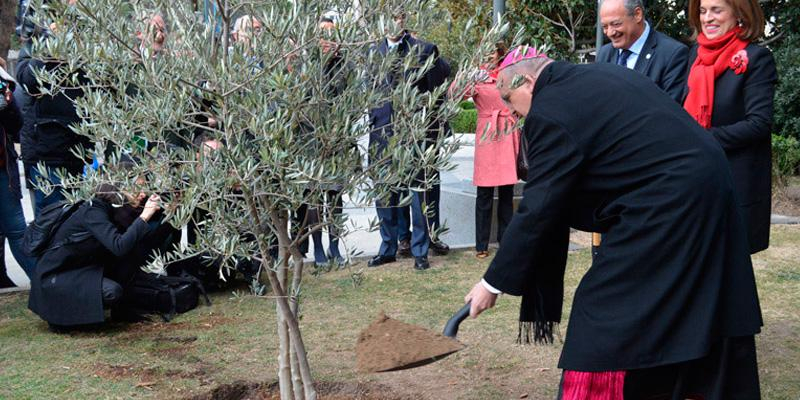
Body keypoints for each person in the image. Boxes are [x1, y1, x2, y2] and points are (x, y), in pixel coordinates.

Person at [464, 46, 762, 398]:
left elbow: (539, 207)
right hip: (703, 187)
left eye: (510, 100)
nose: (512, 114)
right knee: (694, 300)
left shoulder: (550, 109)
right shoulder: (593, 76)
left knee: (605, 309)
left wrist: (492, 284)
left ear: (529, 82)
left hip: (671, 202)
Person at [683, 0, 776, 254]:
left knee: (728, 280)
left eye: (716, 10)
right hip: (695, 180)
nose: (707, 18)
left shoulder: (757, 59)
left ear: (739, 14)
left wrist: (701, 138)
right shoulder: (694, 56)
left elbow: (759, 124)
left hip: (734, 187)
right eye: (702, 11)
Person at [367, 12, 451, 271]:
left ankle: (420, 251)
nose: (393, 22)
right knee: (385, 194)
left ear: (404, 21)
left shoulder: (424, 50)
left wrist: (434, 134)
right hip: (381, 134)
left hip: (415, 135)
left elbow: (437, 96)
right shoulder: (372, 52)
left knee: (418, 196)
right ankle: (388, 248)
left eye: (397, 17)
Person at [28, 184, 161, 330]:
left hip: (83, 268)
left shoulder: (117, 209)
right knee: (111, 291)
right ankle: (66, 319)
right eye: (137, 188)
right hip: (58, 275)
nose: (142, 194)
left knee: (134, 252)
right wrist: (144, 216)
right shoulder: (93, 211)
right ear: (120, 187)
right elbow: (119, 246)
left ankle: (122, 310)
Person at [451, 43, 519, 259]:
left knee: (507, 192)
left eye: (492, 51)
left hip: (508, 132)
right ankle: (481, 244)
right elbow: (454, 95)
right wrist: (465, 75)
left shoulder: (510, 72)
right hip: (487, 134)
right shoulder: (477, 76)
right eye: (485, 51)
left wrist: (517, 114)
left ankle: (506, 240)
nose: (489, 55)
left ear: (500, 53)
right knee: (485, 192)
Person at [597, 0, 689, 102]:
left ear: (637, 14)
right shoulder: (604, 54)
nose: (609, 33)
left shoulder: (671, 54)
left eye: (616, 24)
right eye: (604, 27)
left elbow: (670, 110)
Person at [0, 62, 37, 287]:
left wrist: (9, 103)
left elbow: (16, 128)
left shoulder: (3, 82)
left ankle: (42, 284)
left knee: (16, 230)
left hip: (3, 171)